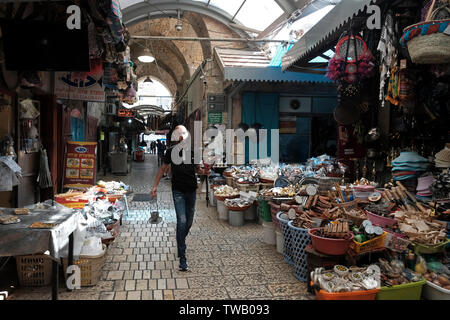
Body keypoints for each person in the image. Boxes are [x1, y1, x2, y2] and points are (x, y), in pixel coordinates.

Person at [150, 125, 208, 271]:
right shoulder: (170, 152)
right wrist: (155, 186)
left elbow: (198, 169)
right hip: (178, 191)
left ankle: (180, 240)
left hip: (191, 190)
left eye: (184, 133)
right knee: (181, 221)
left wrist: (205, 171)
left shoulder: (194, 152)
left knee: (188, 222)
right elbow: (163, 169)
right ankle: (182, 258)